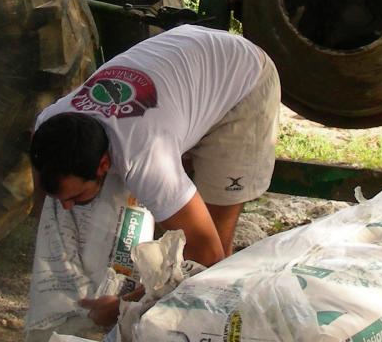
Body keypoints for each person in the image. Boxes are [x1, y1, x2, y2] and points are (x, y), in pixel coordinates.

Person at [28, 24, 280, 326]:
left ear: (103, 165)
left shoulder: (146, 157)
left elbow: (206, 255)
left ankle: (209, 335)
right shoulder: (49, 125)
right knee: (165, 226)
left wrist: (124, 305)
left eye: (76, 196)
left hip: (243, 80)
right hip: (182, 62)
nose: (66, 206)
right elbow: (43, 197)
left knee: (212, 252)